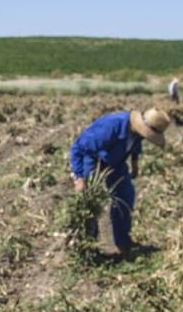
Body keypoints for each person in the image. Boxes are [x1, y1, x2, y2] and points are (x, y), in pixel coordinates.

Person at [69, 108, 171, 252]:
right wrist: (80, 178)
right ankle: (86, 246)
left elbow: (136, 143)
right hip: (93, 159)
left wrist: (135, 163)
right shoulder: (112, 126)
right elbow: (79, 147)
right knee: (88, 201)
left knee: (125, 196)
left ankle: (123, 242)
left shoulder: (137, 132)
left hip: (115, 161)